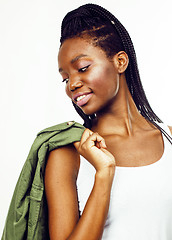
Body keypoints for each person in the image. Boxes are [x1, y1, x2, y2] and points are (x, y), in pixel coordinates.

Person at [44, 3, 172, 240]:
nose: (72, 84)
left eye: (82, 68)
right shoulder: (67, 153)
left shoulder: (170, 140)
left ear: (120, 62)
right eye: (65, 78)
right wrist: (103, 174)